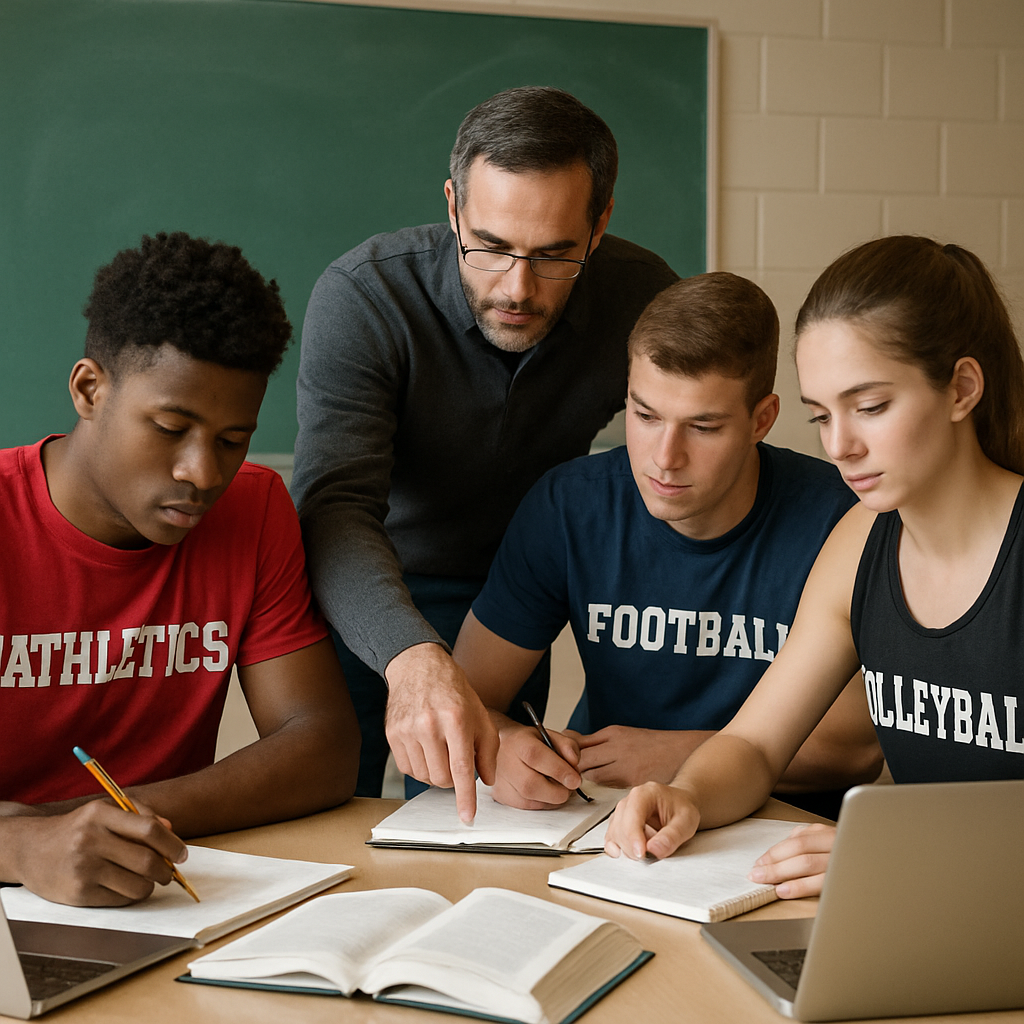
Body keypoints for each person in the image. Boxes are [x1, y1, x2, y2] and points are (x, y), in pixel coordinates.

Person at [291, 86, 678, 819]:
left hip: (510, 599)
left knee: (482, 825)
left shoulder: (642, 297)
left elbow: (670, 453)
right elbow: (334, 507)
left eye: (555, 255)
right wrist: (410, 656)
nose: (518, 289)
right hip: (361, 583)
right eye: (492, 247)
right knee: (329, 810)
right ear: (453, 206)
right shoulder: (364, 295)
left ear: (600, 225)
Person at [606, 235, 1024, 898]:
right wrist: (686, 796)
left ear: (962, 389)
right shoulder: (860, 542)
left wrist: (904, 854)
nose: (840, 446)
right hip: (933, 914)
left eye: (871, 407)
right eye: (822, 416)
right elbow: (755, 747)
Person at [0, 232, 360, 907]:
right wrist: (19, 849)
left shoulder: (254, 509)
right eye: (170, 428)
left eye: (232, 440)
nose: (202, 473)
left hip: (166, 898)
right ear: (89, 390)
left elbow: (322, 749)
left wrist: (86, 823)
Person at [453, 272, 880, 812]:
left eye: (703, 427)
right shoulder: (569, 506)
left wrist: (676, 756)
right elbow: (466, 700)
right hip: (604, 811)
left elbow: (856, 752)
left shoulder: (842, 521)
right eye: (646, 416)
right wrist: (510, 745)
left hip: (780, 827)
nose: (664, 458)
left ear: (761, 420)